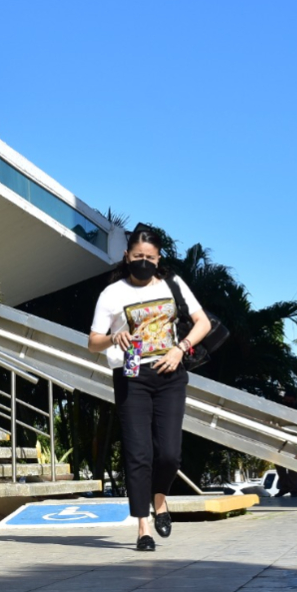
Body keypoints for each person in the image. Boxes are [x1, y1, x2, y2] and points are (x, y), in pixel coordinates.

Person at [88, 226, 211, 552]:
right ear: (127, 256)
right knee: (138, 454)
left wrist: (180, 348)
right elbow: (92, 342)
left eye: (150, 257)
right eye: (137, 256)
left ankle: (160, 500)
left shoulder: (173, 284)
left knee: (169, 454)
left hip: (171, 373)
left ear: (159, 259)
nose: (143, 262)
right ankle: (143, 527)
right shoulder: (112, 294)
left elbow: (203, 323)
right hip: (131, 376)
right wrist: (114, 337)